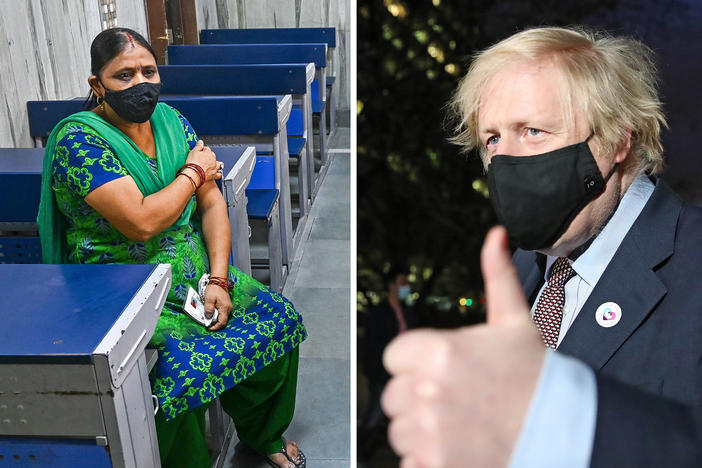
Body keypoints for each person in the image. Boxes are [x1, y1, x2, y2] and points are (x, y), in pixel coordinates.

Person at [382, 25, 702, 467]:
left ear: (617, 140)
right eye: (492, 139)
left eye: (532, 130)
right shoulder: (524, 269)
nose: (505, 160)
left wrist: (561, 422)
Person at [37, 28, 307, 468]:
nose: (140, 83)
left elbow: (212, 202)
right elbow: (142, 221)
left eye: (149, 70)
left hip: (193, 276)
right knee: (178, 373)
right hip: (122, 287)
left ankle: (263, 435)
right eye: (124, 75)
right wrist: (193, 172)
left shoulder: (172, 121)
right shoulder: (80, 142)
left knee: (278, 321)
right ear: (97, 85)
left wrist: (219, 278)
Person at [358, 269, 417, 458]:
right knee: (375, 413)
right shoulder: (379, 313)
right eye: (402, 283)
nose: (405, 288)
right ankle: (361, 450)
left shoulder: (407, 312)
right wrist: (375, 371)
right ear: (392, 286)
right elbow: (372, 345)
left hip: (404, 373)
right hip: (383, 372)